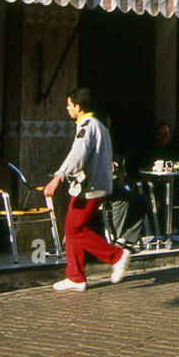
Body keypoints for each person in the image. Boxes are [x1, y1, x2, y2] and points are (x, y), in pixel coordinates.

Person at [44, 88, 129, 291]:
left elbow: (78, 155)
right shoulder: (97, 125)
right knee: (73, 229)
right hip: (93, 186)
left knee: (74, 229)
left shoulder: (88, 126)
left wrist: (59, 176)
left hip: (90, 188)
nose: (67, 108)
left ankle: (116, 256)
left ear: (78, 107)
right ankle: (75, 277)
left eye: (69, 105)